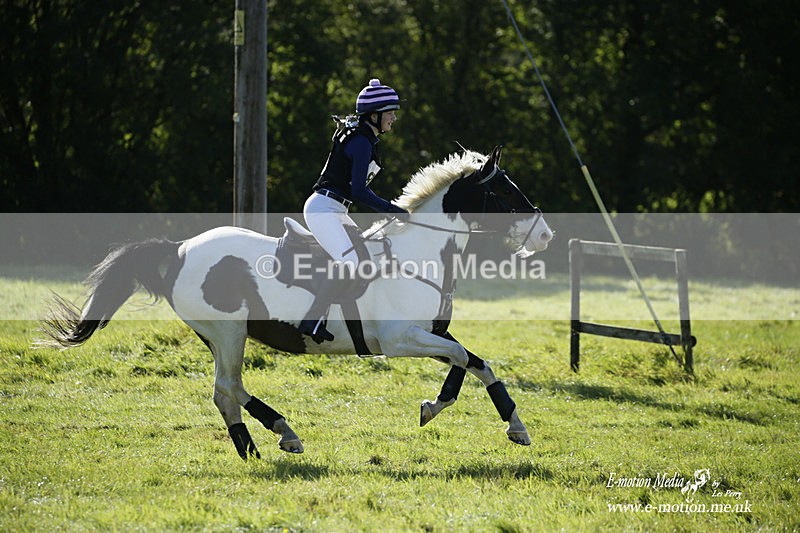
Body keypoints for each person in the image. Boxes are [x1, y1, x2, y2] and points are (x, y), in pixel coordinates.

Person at [298, 78, 409, 343]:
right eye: (390, 113)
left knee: (366, 256)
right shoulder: (361, 142)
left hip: (336, 209)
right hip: (323, 209)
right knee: (351, 263)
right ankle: (312, 320)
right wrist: (392, 209)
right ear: (374, 115)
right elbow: (359, 191)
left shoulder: (365, 138)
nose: (394, 118)